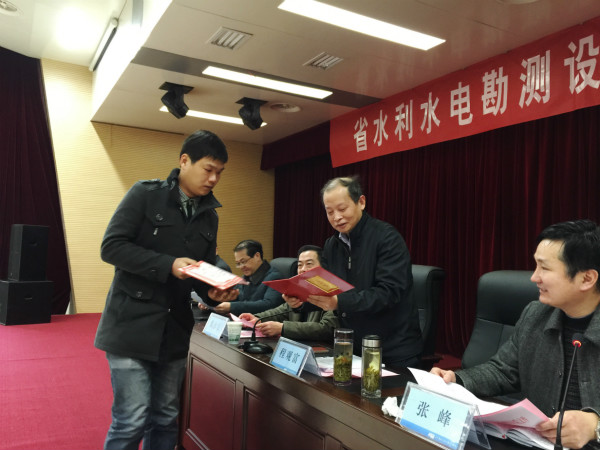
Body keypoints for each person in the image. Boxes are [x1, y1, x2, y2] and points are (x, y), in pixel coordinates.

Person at [94, 130, 229, 450]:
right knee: (131, 419)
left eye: (220, 173)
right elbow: (111, 247)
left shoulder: (209, 216)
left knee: (166, 417)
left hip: (174, 329)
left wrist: (213, 291)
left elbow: (200, 270)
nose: (213, 179)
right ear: (185, 161)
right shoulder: (145, 194)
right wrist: (168, 264)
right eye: (208, 169)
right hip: (131, 324)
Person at [431, 220, 600, 450]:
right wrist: (456, 380)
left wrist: (595, 426)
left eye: (545, 268)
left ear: (587, 279)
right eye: (536, 265)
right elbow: (503, 370)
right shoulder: (536, 314)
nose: (534, 277)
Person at [305, 176, 423, 367]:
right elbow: (325, 289)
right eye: (330, 212)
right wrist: (299, 300)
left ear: (361, 202)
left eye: (342, 209)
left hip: (392, 349)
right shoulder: (332, 245)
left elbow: (388, 293)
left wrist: (339, 301)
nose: (336, 217)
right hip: (354, 346)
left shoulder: (387, 238)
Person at [240, 245, 339, 341]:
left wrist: (283, 328)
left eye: (309, 264)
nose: (303, 269)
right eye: (300, 265)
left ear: (323, 268)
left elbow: (327, 328)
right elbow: (281, 311)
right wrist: (257, 318)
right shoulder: (300, 289)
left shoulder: (333, 292)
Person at [208, 239, 284, 315]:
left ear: (257, 256)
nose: (241, 267)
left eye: (243, 262)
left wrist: (232, 307)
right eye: (238, 263)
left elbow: (269, 305)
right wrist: (216, 302)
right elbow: (236, 299)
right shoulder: (245, 277)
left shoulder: (275, 278)